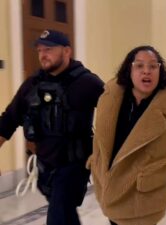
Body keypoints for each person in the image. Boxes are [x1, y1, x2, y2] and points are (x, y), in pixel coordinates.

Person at [0, 29, 104, 225]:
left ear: (66, 51)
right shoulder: (33, 83)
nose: (42, 55)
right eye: (39, 50)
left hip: (74, 166)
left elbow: (113, 113)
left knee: (57, 217)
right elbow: (9, 119)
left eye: (48, 49)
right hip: (46, 165)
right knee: (65, 215)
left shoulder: (86, 82)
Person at [86, 45, 166, 225]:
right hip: (109, 190)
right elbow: (102, 141)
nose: (147, 71)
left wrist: (157, 170)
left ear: (160, 72)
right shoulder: (109, 100)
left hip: (143, 199)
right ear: (129, 70)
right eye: (139, 66)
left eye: (153, 66)